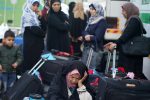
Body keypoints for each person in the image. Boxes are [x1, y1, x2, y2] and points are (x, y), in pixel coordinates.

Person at [104, 3, 147, 79]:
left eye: (124, 11)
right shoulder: (133, 20)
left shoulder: (134, 20)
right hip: (132, 54)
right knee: (133, 75)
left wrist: (115, 43)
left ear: (129, 10)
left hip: (131, 56)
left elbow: (125, 36)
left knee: (133, 76)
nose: (122, 13)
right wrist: (114, 43)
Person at [21, 0, 45, 72]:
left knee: (36, 67)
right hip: (30, 48)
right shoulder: (26, 16)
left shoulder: (37, 16)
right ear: (29, 4)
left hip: (37, 48)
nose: (36, 7)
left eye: (37, 6)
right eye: (34, 5)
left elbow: (45, 28)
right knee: (29, 68)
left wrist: (41, 16)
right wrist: (43, 33)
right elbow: (39, 31)